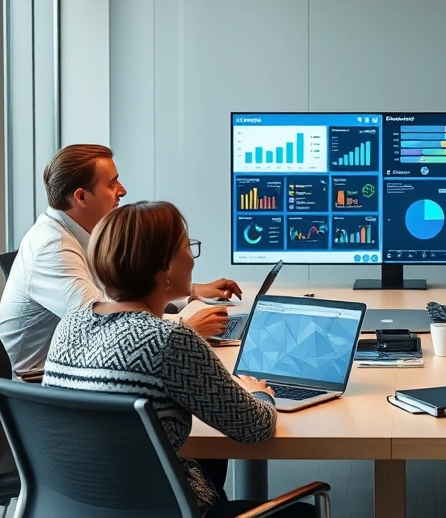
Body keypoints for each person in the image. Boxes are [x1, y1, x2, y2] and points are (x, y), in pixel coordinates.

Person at [43, 201, 315, 518]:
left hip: (81, 505)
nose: (192, 257)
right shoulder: (170, 341)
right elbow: (253, 427)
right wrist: (259, 392)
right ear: (165, 267)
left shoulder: (70, 325)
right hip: (162, 507)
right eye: (188, 246)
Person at [0, 144, 238, 374]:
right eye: (112, 183)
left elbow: (118, 300)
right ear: (81, 197)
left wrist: (192, 292)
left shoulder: (77, 234)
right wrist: (184, 331)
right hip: (38, 386)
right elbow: (107, 326)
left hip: (81, 366)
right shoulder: (53, 246)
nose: (122, 190)